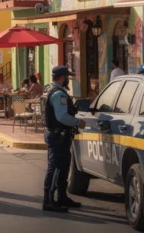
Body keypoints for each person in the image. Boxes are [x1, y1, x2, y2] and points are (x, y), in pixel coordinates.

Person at [40, 66, 87, 212]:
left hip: (57, 134)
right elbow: (61, 117)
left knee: (63, 166)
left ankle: (61, 197)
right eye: (67, 77)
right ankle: (48, 200)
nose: (68, 80)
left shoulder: (49, 90)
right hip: (58, 135)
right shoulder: (58, 94)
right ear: (61, 78)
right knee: (55, 168)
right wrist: (77, 122)